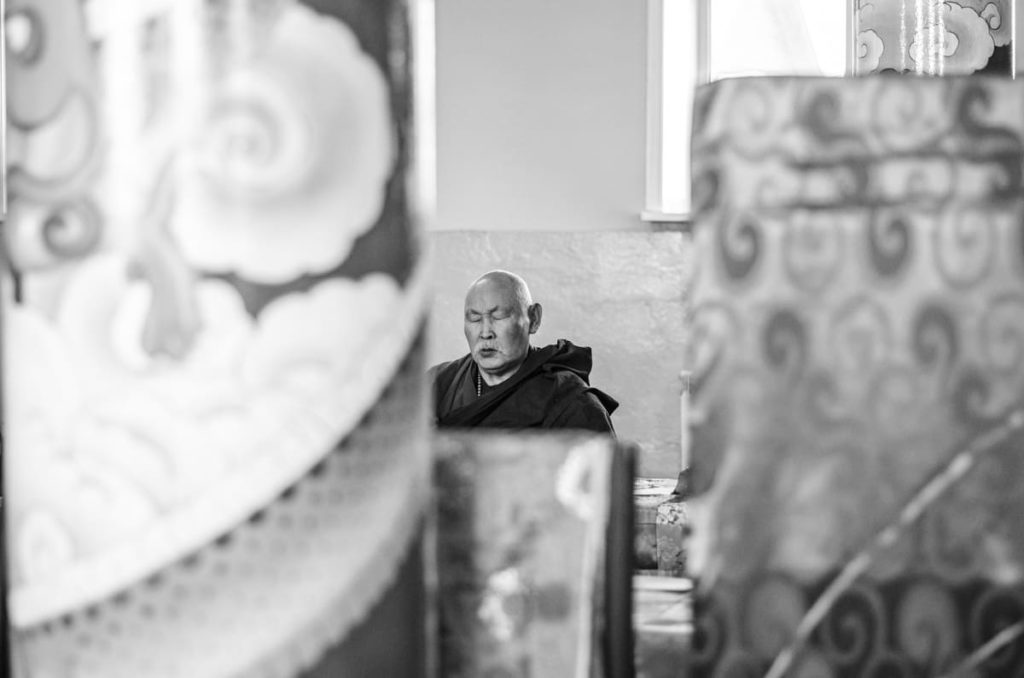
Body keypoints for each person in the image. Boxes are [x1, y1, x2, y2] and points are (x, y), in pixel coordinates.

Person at [430, 270, 618, 432]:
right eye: (475, 319)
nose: (485, 333)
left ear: (533, 319)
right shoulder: (436, 384)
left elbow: (599, 462)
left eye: (499, 316)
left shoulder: (570, 402)